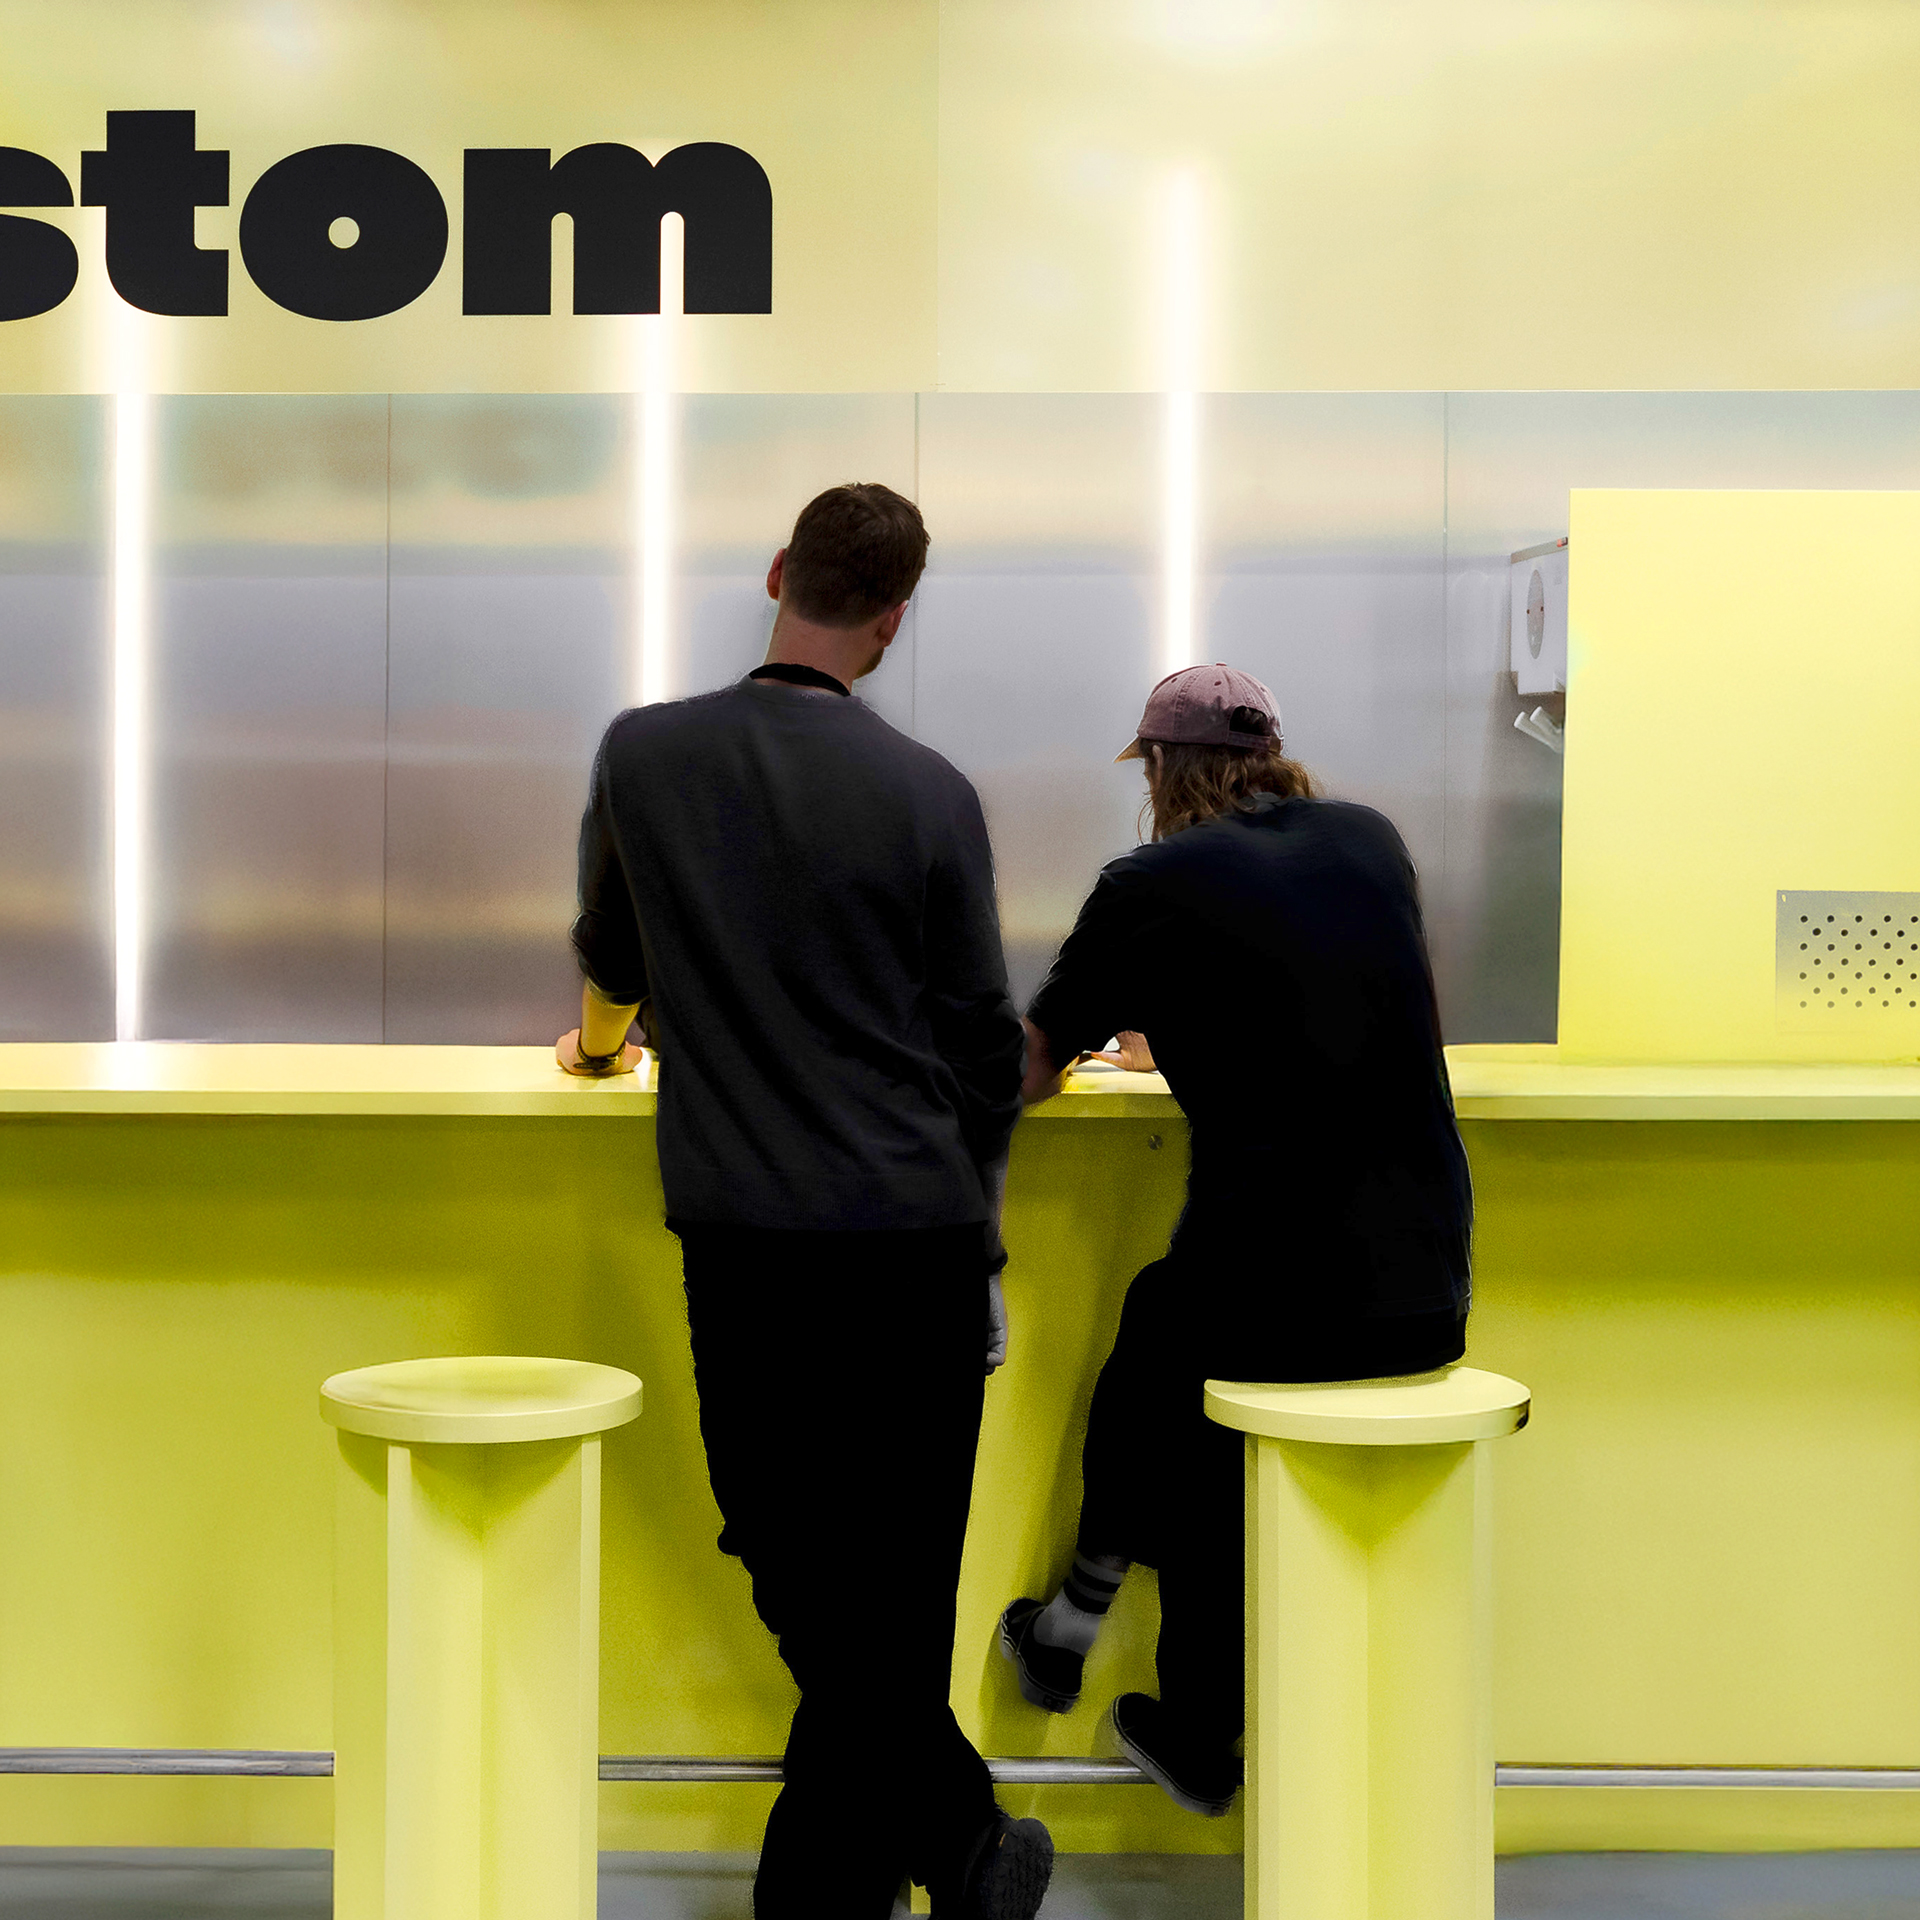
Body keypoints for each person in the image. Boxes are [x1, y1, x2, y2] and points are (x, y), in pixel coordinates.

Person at [557, 484, 1052, 1920]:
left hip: (744, 1241)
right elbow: (981, 1047)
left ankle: (867, 1882)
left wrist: (598, 1048)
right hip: (914, 1243)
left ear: (779, 572)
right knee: (891, 1588)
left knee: (786, 1553)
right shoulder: (930, 791)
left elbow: (613, 957)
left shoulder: (643, 754)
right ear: (894, 620)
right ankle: (959, 1835)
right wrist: (987, 1237)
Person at [996, 662, 1472, 1818]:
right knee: (1185, 1364)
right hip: (1432, 1278)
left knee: (1174, 1365)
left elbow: (1031, 1067)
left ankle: (1085, 1628)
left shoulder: (1150, 881)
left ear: (1160, 769)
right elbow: (1320, 997)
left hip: (1277, 1282)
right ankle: (1172, 1708)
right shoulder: (1370, 841)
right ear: (1271, 756)